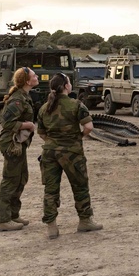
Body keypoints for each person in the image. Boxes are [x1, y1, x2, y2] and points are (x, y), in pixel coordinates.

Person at [37, 72, 102, 239]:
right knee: (80, 186)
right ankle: (85, 220)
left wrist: (53, 142)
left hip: (50, 152)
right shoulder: (77, 105)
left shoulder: (45, 107)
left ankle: (51, 226)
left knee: (50, 189)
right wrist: (78, 137)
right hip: (72, 153)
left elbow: (41, 133)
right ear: (66, 86)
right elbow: (88, 127)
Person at [0, 67, 38, 232]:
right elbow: (6, 123)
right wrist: (26, 125)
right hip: (11, 144)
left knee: (21, 178)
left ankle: (13, 214)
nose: (37, 77)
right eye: (34, 75)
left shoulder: (24, 97)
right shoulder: (17, 100)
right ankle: (2, 220)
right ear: (27, 81)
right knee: (11, 179)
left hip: (19, 144)